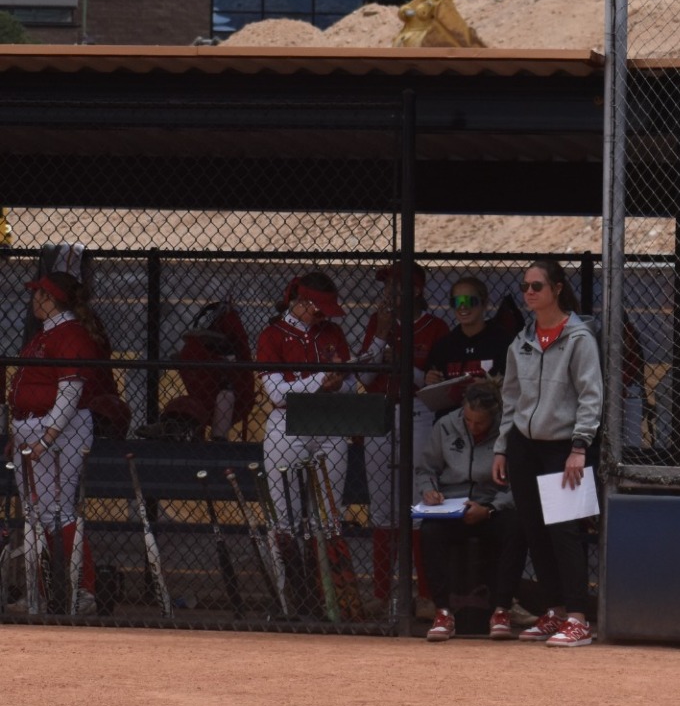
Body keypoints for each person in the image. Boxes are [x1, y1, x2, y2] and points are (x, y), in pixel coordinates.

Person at [489, 260, 602, 647]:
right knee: (534, 528)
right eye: (525, 287)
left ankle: (578, 617)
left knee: (565, 531)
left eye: (537, 286)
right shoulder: (520, 341)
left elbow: (591, 396)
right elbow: (511, 398)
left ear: (556, 288)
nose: (529, 293)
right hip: (524, 445)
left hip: (563, 447)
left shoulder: (579, 338)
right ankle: (554, 610)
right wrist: (503, 447)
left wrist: (579, 447)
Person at [8, 268, 111, 614]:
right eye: (37, 293)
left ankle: (82, 592)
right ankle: (39, 593)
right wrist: (19, 431)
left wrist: (47, 438)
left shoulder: (71, 334)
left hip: (59, 433)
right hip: (30, 430)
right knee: (34, 513)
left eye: (43, 295)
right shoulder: (43, 334)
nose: (36, 300)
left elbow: (69, 394)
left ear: (57, 300)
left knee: (59, 510)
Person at [256, 272, 357, 593]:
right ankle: (291, 596)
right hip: (289, 427)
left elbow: (351, 385)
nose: (324, 314)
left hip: (330, 424)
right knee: (285, 518)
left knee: (327, 519)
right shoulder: (272, 334)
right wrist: (320, 381)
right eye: (318, 307)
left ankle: (327, 594)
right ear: (299, 303)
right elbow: (276, 393)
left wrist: (340, 383)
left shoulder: (332, 331)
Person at [362, 262, 450, 614]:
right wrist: (381, 336)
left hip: (419, 413)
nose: (389, 294)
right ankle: (382, 594)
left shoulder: (436, 327)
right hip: (382, 412)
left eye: (396, 287)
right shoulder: (377, 322)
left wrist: (403, 365)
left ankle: (426, 594)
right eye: (387, 287)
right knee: (382, 508)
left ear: (415, 290)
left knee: (420, 507)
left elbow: (434, 383)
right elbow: (366, 378)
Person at [415, 380, 528, 643]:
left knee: (517, 527)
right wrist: (430, 491)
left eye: (480, 423)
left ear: (494, 417)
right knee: (429, 532)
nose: (472, 427)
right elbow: (426, 469)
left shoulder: (507, 431)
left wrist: (489, 509)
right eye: (468, 420)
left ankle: (501, 610)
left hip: (491, 504)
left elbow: (519, 485)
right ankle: (443, 611)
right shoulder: (445, 425)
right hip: (452, 505)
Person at [139, 300, 255, 443]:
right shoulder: (197, 349)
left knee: (225, 394)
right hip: (205, 399)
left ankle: (218, 439)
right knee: (186, 403)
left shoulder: (230, 344)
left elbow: (235, 359)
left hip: (230, 398)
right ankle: (170, 427)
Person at [422, 276, 514, 414]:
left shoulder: (503, 342)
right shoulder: (444, 345)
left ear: (484, 303)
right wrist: (430, 380)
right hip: (452, 419)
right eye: (457, 302)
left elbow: (516, 387)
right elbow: (432, 388)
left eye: (470, 301)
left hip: (492, 417)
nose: (463, 306)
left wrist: (489, 387)